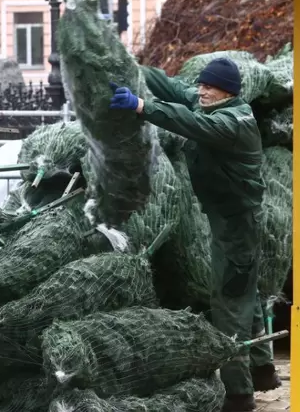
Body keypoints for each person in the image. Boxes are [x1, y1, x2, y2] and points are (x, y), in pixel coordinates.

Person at [109, 58, 282, 412]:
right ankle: (263, 371)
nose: (201, 90)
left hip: (237, 225)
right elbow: (175, 88)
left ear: (227, 91)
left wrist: (141, 106)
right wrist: (132, 66)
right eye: (201, 85)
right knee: (245, 294)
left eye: (208, 86)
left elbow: (185, 121)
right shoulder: (218, 104)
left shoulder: (231, 122)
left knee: (229, 302)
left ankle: (238, 395)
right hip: (235, 220)